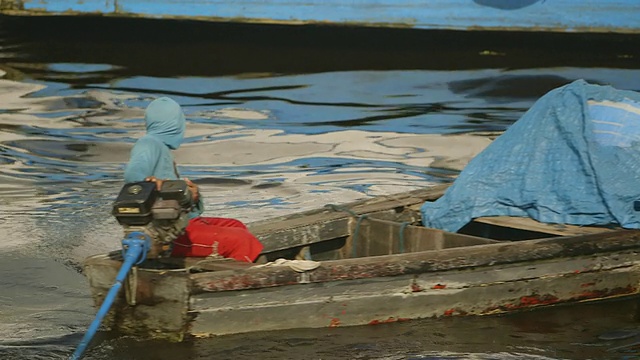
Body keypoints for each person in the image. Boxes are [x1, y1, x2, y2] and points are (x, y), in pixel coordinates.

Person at [124, 97, 264, 262]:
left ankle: (225, 265)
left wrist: (192, 194)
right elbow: (133, 178)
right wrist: (154, 185)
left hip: (182, 221)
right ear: (173, 122)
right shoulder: (148, 143)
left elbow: (177, 199)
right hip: (167, 235)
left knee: (236, 225)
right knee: (241, 240)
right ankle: (235, 279)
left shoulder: (162, 148)